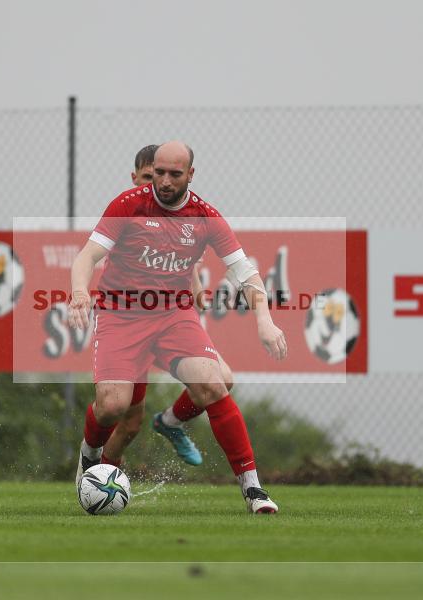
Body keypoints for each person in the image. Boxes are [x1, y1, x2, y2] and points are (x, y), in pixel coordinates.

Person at [68, 141, 285, 513]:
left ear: (190, 175)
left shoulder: (205, 216)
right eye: (160, 172)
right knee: (113, 407)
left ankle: (254, 490)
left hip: (173, 317)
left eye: (174, 174)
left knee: (214, 384)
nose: (165, 181)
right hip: (121, 317)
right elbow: (87, 256)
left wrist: (265, 320)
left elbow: (245, 272)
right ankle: (90, 456)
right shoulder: (129, 204)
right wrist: (79, 294)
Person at [100, 145, 235, 469]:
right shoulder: (126, 215)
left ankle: (171, 422)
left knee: (224, 379)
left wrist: (196, 284)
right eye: (149, 177)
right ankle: (100, 474)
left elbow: (178, 261)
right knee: (128, 422)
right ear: (135, 179)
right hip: (129, 324)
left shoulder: (177, 216)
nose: (158, 185)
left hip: (166, 321)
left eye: (165, 176)